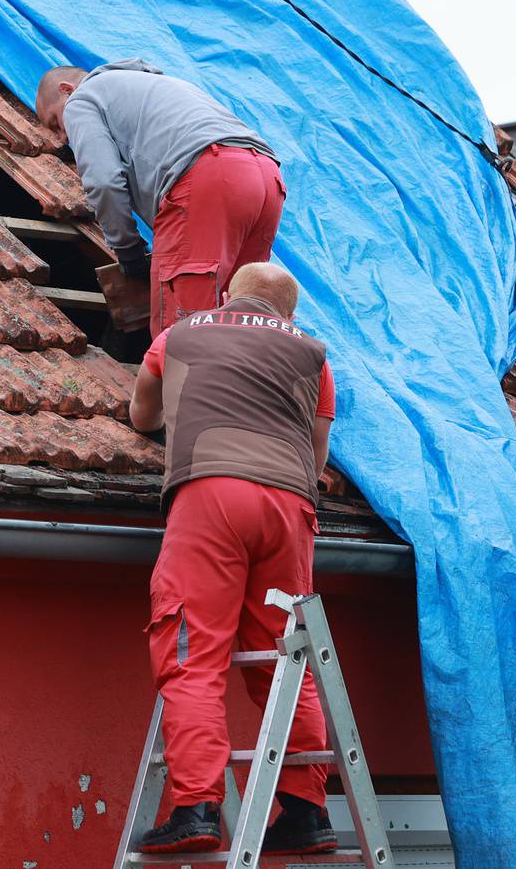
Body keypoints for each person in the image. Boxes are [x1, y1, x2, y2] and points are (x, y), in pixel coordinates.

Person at [127, 262, 339, 856]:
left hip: (211, 497)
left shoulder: (182, 334)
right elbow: (316, 451)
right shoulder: (315, 356)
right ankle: (305, 811)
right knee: (284, 658)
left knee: (193, 651)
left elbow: (143, 414)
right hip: (290, 510)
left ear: (228, 296)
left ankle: (196, 806)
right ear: (289, 313)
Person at [35, 60, 284, 334]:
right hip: (266, 178)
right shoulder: (155, 85)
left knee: (182, 331)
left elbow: (103, 182)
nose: (62, 138)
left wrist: (129, 253)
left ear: (66, 90)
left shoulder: (82, 99)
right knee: (237, 317)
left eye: (55, 122)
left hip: (209, 176)